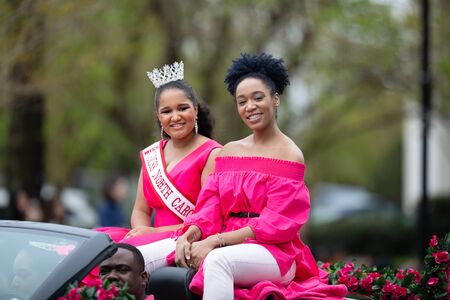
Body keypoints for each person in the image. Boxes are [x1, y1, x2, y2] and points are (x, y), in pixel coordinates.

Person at [138, 53, 348, 299]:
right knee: (134, 259)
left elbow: (274, 225)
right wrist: (188, 236)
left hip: (274, 252)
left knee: (218, 261)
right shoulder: (229, 151)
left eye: (258, 98)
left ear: (275, 99)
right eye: (242, 101)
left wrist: (216, 241)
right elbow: (209, 208)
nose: (250, 106)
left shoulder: (290, 155)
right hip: (222, 241)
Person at [94, 60, 221, 260]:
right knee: (92, 248)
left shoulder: (212, 153)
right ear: (158, 116)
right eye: (167, 111)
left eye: (182, 108)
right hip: (152, 241)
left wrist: (152, 235)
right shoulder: (152, 154)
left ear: (195, 110)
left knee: (119, 261)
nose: (175, 117)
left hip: (187, 242)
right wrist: (142, 233)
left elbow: (208, 220)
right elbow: (140, 209)